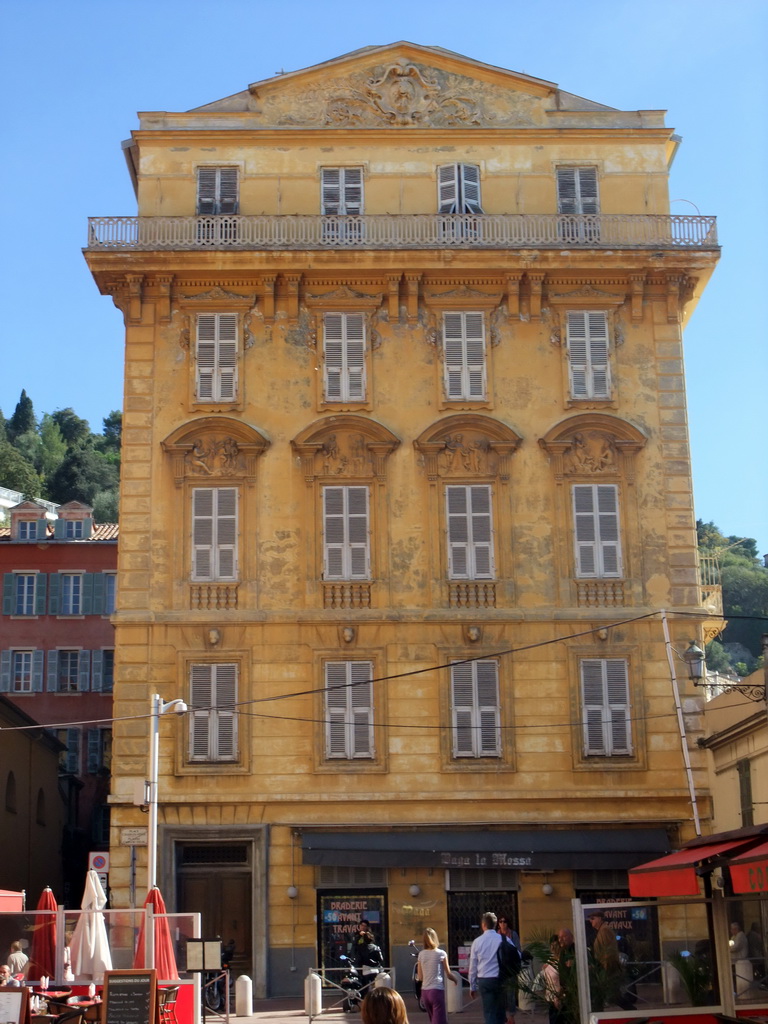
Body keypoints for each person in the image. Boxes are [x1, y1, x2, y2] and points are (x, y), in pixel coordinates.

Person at [469, 912, 505, 1024]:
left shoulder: (477, 942)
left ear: (483, 925)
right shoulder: (502, 939)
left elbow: (473, 966)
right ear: (495, 925)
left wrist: (472, 985)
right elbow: (517, 955)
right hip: (500, 978)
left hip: (484, 979)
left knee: (489, 1012)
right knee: (500, 1011)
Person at [416, 928, 457, 1024]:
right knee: (440, 1020)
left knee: (432, 1020)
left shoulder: (421, 955)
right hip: (436, 990)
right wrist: (455, 980)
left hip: (425, 992)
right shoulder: (441, 953)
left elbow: (420, 977)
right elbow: (448, 973)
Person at [497, 916, 522, 1024]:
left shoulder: (513, 934)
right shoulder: (496, 935)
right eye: (501, 922)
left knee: (511, 993)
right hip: (500, 968)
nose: (503, 924)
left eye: (505, 921)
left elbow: (518, 949)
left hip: (511, 968)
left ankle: (511, 1017)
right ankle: (503, 1017)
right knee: (501, 993)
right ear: (498, 923)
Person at [534, 936, 564, 1024]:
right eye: (552, 946)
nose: (553, 948)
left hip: (559, 997)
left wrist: (558, 997)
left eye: (556, 945)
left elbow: (563, 980)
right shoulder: (550, 959)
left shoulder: (561, 961)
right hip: (550, 997)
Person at [354, 930, 384, 998]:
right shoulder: (376, 947)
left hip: (365, 969)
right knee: (376, 987)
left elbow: (358, 959)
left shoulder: (360, 947)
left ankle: (365, 1001)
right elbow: (381, 959)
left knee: (365, 987)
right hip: (375, 969)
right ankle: (376, 1000)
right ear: (372, 939)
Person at [730, 921, 751, 997]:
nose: (731, 931)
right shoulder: (733, 937)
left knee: (737, 977)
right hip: (734, 961)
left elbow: (736, 947)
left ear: (736, 929)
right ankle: (735, 992)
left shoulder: (740, 936)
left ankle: (738, 993)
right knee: (734, 978)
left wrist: (728, 948)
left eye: (732, 929)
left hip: (740, 960)